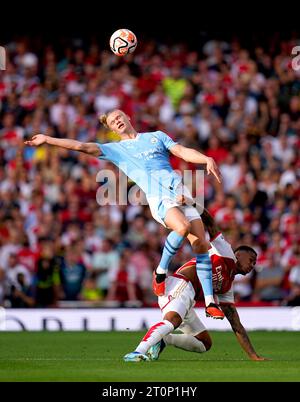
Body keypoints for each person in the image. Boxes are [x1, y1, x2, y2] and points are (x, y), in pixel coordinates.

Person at [24, 109, 224, 318]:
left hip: (181, 191)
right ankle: (160, 272)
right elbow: (80, 146)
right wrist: (47, 139)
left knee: (202, 245)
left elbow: (181, 151)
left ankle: (210, 303)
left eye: (119, 117)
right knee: (182, 227)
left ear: (128, 117)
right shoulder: (116, 149)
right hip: (159, 198)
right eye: (112, 121)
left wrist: (205, 159)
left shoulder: (156, 136)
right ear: (111, 129)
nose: (117, 121)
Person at [124, 208, 267, 362]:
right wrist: (195, 206)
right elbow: (211, 224)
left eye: (255, 262)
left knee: (204, 343)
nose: (253, 264)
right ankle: (137, 351)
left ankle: (164, 340)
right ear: (238, 255)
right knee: (173, 321)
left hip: (187, 299)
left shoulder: (226, 288)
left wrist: (253, 356)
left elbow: (235, 324)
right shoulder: (226, 253)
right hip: (180, 284)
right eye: (251, 259)